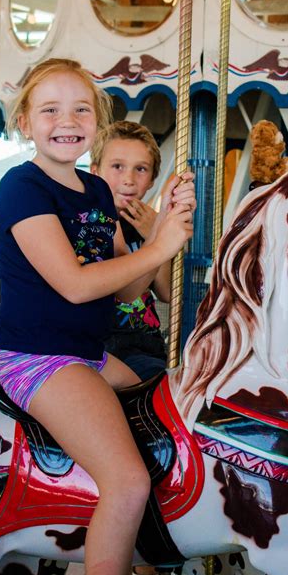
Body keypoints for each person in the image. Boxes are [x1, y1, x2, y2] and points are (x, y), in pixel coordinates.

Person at [0, 58, 195, 575]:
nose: (67, 119)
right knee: (128, 481)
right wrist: (161, 244)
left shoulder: (98, 192)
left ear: (96, 121)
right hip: (38, 357)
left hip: (89, 354)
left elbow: (124, 289)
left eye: (81, 108)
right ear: (25, 122)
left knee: (173, 422)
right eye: (50, 109)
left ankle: (142, 543)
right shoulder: (22, 187)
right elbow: (75, 284)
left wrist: (164, 233)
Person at [90, 121, 169, 382]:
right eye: (117, 167)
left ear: (152, 180)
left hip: (148, 341)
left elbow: (168, 291)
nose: (129, 179)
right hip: (108, 345)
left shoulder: (147, 223)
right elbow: (124, 293)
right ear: (95, 171)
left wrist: (155, 231)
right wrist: (157, 239)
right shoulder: (92, 224)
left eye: (141, 169)